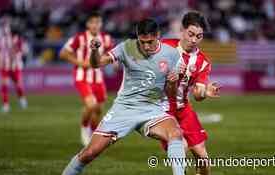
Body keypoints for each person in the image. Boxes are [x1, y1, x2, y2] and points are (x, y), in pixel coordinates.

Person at [62, 18, 187, 175]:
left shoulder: (172, 54)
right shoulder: (126, 47)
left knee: (175, 133)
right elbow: (96, 64)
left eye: (150, 41)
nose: (146, 46)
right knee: (89, 153)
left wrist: (172, 83)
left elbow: (171, 94)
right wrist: (94, 51)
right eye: (142, 42)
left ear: (158, 35)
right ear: (137, 37)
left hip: (153, 109)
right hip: (124, 108)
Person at [162, 11, 221, 175]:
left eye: (199, 36)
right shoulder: (164, 47)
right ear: (182, 30)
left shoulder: (203, 62)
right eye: (191, 34)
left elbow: (197, 94)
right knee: (181, 149)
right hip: (162, 110)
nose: (194, 40)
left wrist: (205, 93)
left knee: (203, 159)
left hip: (184, 109)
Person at [60, 12, 113, 146]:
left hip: (98, 79)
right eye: (93, 22)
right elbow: (63, 53)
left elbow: (111, 55)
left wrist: (112, 62)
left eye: (98, 22)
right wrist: (80, 63)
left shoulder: (106, 38)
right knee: (91, 105)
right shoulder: (79, 38)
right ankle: (85, 128)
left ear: (101, 24)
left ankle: (95, 134)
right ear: (88, 24)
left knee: (98, 110)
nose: (95, 25)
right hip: (82, 77)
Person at [0, 16, 28, 113]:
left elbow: (23, 50)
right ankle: (5, 105)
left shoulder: (17, 39)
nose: (5, 30)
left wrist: (15, 52)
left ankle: (22, 99)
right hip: (4, 65)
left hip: (15, 66)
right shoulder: (0, 39)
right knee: (4, 84)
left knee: (18, 85)